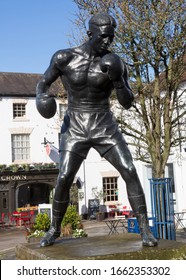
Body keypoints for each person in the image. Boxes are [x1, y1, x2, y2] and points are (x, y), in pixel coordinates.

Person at [36, 13, 158, 247]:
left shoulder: (115, 61)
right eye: (103, 37)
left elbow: (127, 102)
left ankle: (145, 230)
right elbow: (43, 82)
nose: (108, 42)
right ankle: (54, 230)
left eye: (111, 38)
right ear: (90, 34)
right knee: (63, 178)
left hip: (104, 123)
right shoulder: (64, 57)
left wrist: (118, 81)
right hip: (75, 124)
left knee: (130, 169)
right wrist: (42, 98)